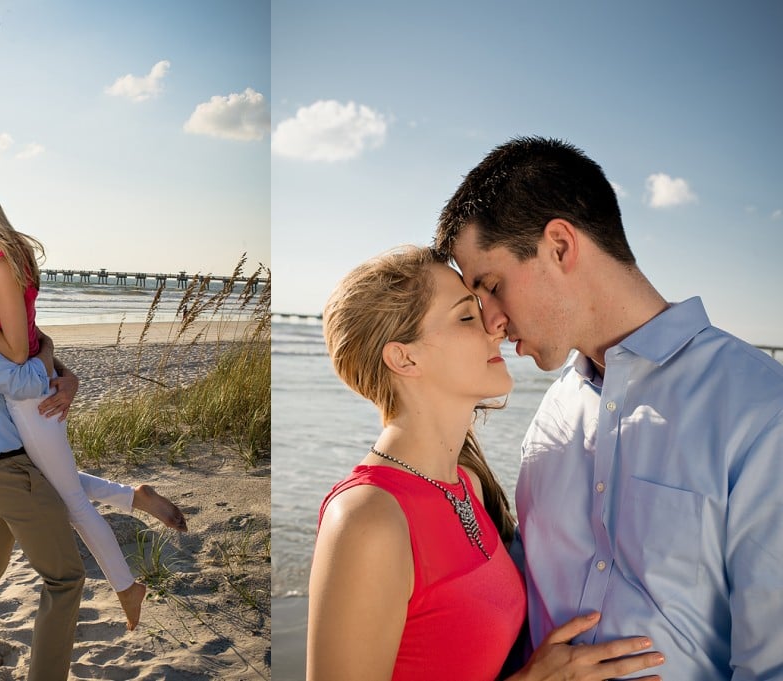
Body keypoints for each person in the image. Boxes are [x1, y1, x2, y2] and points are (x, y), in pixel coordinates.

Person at [434, 136, 783, 679]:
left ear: (559, 246)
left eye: (493, 286)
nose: (491, 322)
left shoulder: (759, 409)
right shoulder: (552, 415)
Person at [307, 245, 665, 681]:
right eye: (465, 317)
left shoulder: (467, 483)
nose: (495, 329)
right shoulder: (368, 519)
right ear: (405, 357)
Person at [0, 223, 186, 679]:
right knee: (65, 579)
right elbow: (21, 378)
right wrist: (54, 373)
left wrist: (63, 373)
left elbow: (24, 341)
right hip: (10, 471)